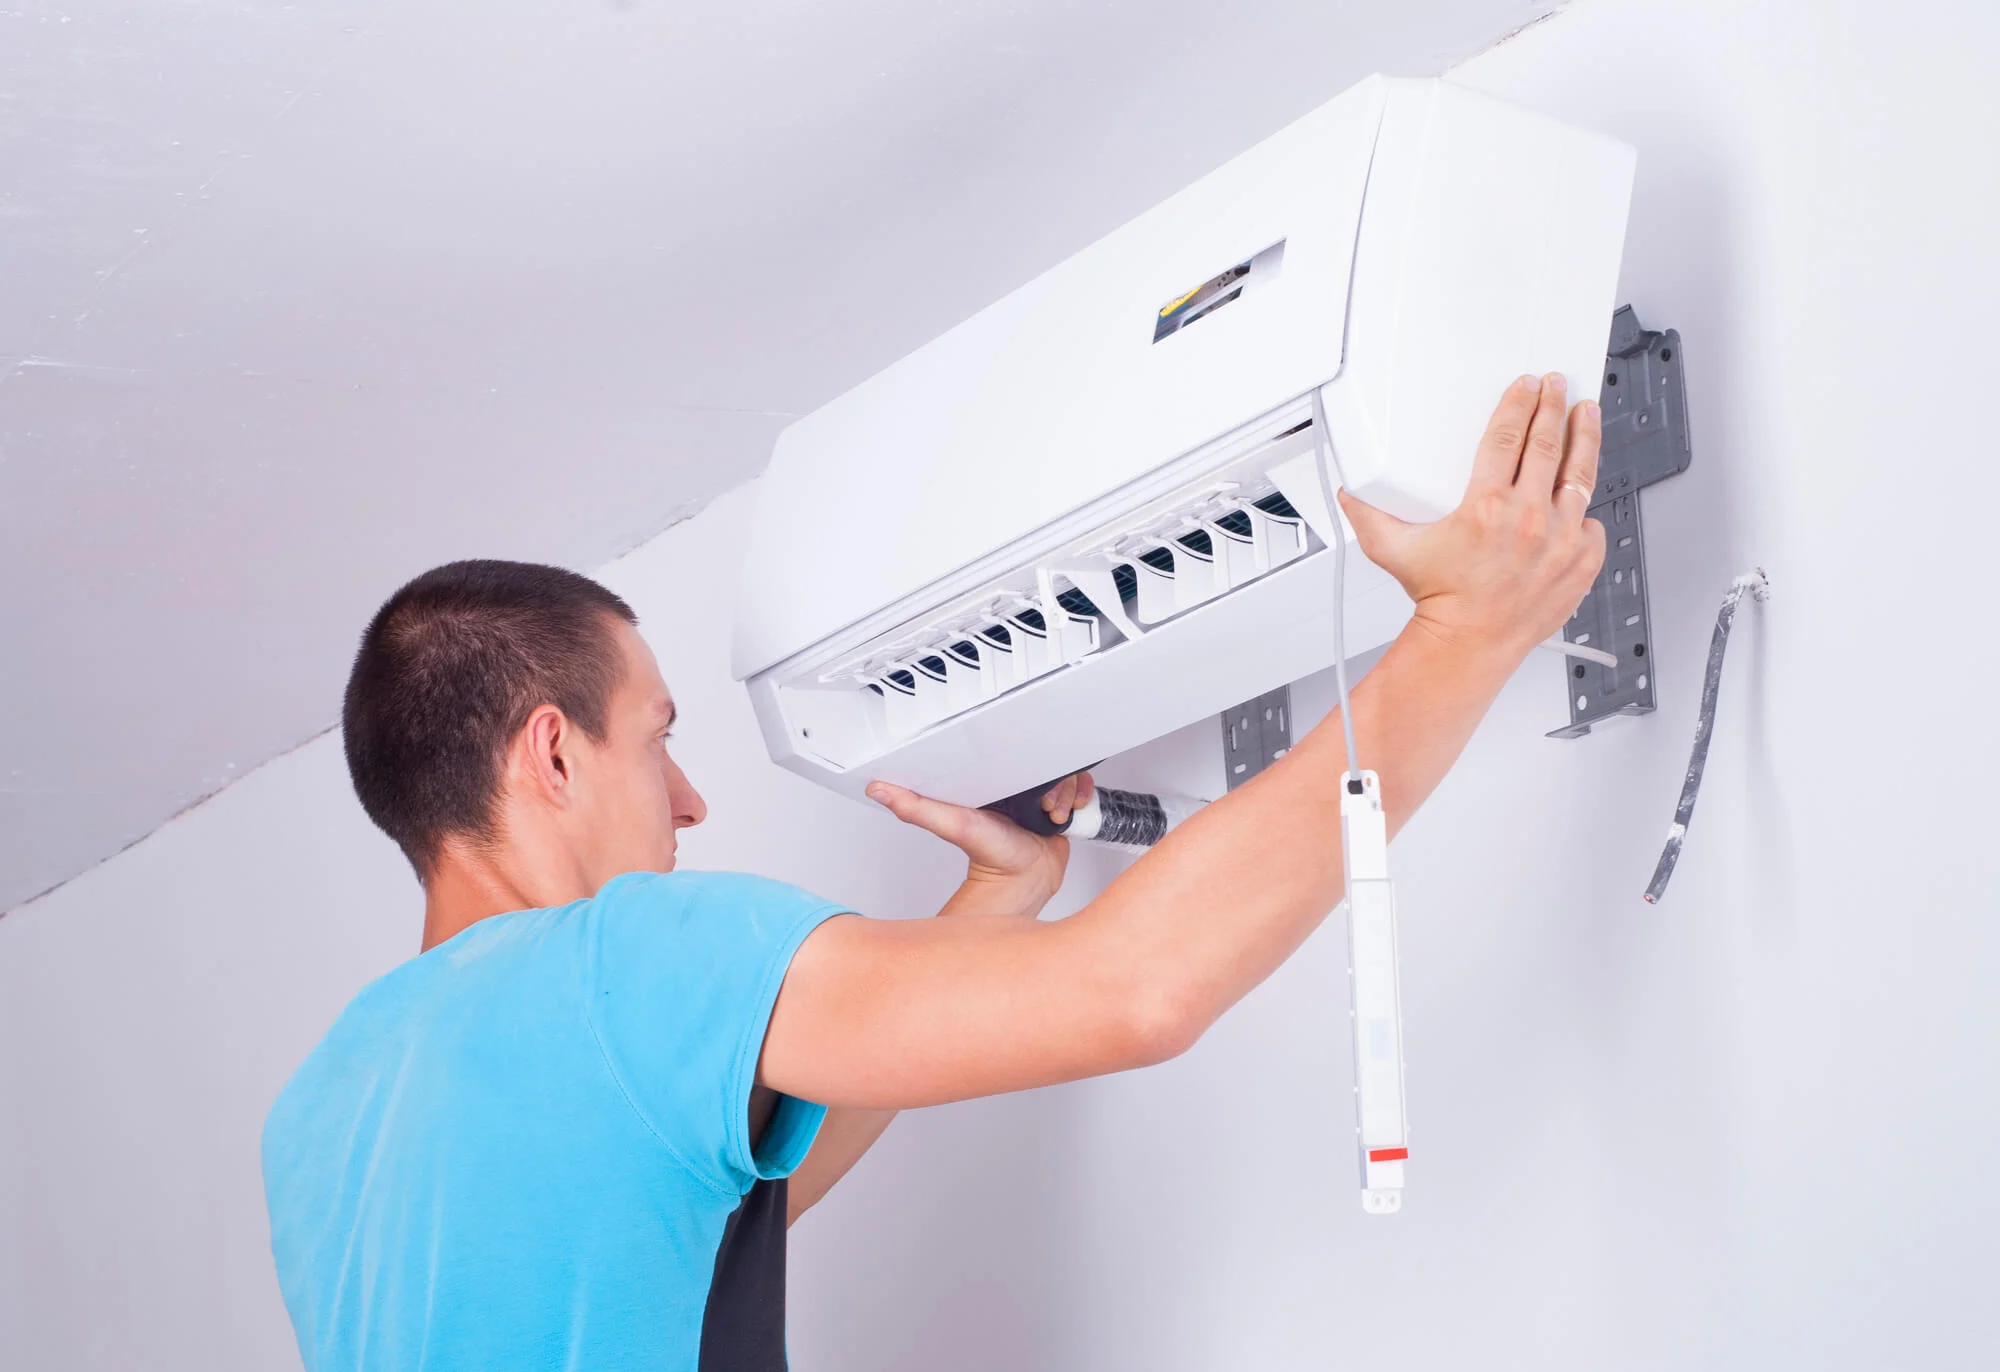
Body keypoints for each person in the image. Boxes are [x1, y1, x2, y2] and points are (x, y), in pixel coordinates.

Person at [263, 374, 1604, 1370]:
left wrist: (994, 903)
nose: (688, 799)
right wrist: (1466, 633)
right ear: (552, 754)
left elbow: (695, 1209)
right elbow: (1138, 988)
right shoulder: (624, 955)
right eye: (658, 738)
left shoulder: (323, 1114)